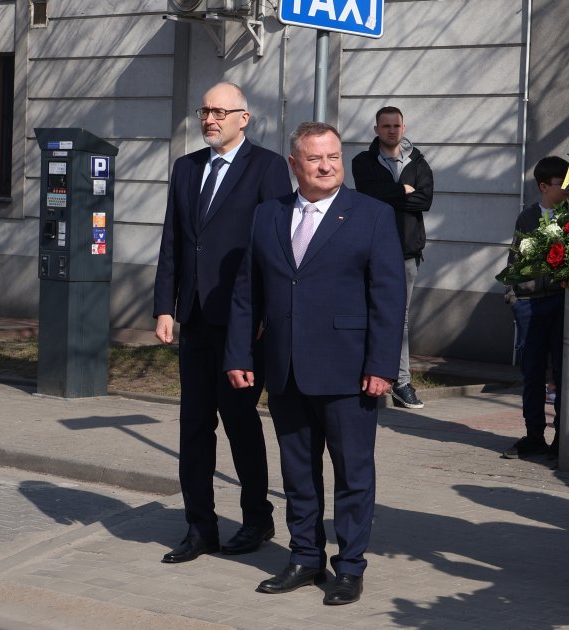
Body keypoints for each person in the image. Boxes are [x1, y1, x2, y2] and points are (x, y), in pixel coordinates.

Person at [224, 121, 406, 605]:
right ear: (294, 164)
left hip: (350, 370)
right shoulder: (267, 215)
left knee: (352, 474)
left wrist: (383, 366)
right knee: (298, 473)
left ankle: (349, 567)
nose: (326, 166)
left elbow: (389, 297)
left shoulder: (370, 214)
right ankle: (305, 557)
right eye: (314, 158)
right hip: (285, 368)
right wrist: (240, 353)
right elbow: (247, 293)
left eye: (333, 157)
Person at [152, 82, 291, 565]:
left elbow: (276, 249)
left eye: (218, 111)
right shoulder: (186, 168)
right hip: (193, 318)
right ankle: (199, 527)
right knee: (194, 427)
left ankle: (256, 517)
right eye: (204, 110)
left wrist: (263, 317)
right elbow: (174, 239)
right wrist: (165, 307)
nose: (209, 119)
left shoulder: (268, 167)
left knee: (238, 422)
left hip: (242, 325)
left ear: (243, 118)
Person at [351, 106, 434, 410]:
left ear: (403, 126)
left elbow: (425, 200)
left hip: (407, 252)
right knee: (363, 312)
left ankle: (400, 382)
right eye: (385, 126)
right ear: (376, 129)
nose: (391, 130)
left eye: (396, 125)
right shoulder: (363, 161)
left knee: (401, 318)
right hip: (369, 250)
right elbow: (368, 194)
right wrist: (402, 192)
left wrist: (392, 193)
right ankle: (364, 373)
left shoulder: (418, 162)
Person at [501, 156, 569, 459]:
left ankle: (561, 438)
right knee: (532, 373)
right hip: (529, 304)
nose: (567, 189)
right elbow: (514, 259)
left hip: (559, 302)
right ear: (544, 186)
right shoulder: (527, 218)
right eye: (561, 184)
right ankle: (533, 434)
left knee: (564, 373)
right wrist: (513, 297)